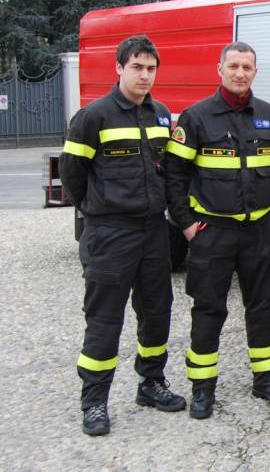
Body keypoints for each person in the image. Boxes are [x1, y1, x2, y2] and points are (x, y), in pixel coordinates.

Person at [59, 35, 186, 436]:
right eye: (137, 67)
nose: (144, 75)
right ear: (119, 68)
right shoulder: (92, 117)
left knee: (156, 310)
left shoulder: (162, 115)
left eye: (150, 68)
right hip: (110, 232)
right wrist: (98, 209)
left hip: (153, 231)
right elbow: (72, 176)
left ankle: (151, 383)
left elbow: (170, 170)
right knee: (104, 318)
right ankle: (94, 401)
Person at [165, 42, 270, 419]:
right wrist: (188, 226)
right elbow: (175, 178)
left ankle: (266, 379)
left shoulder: (269, 117)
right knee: (209, 310)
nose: (240, 73)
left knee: (262, 307)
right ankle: (203, 388)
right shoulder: (196, 118)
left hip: (258, 232)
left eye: (247, 67)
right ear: (218, 69)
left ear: (255, 72)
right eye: (233, 66)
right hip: (213, 233)